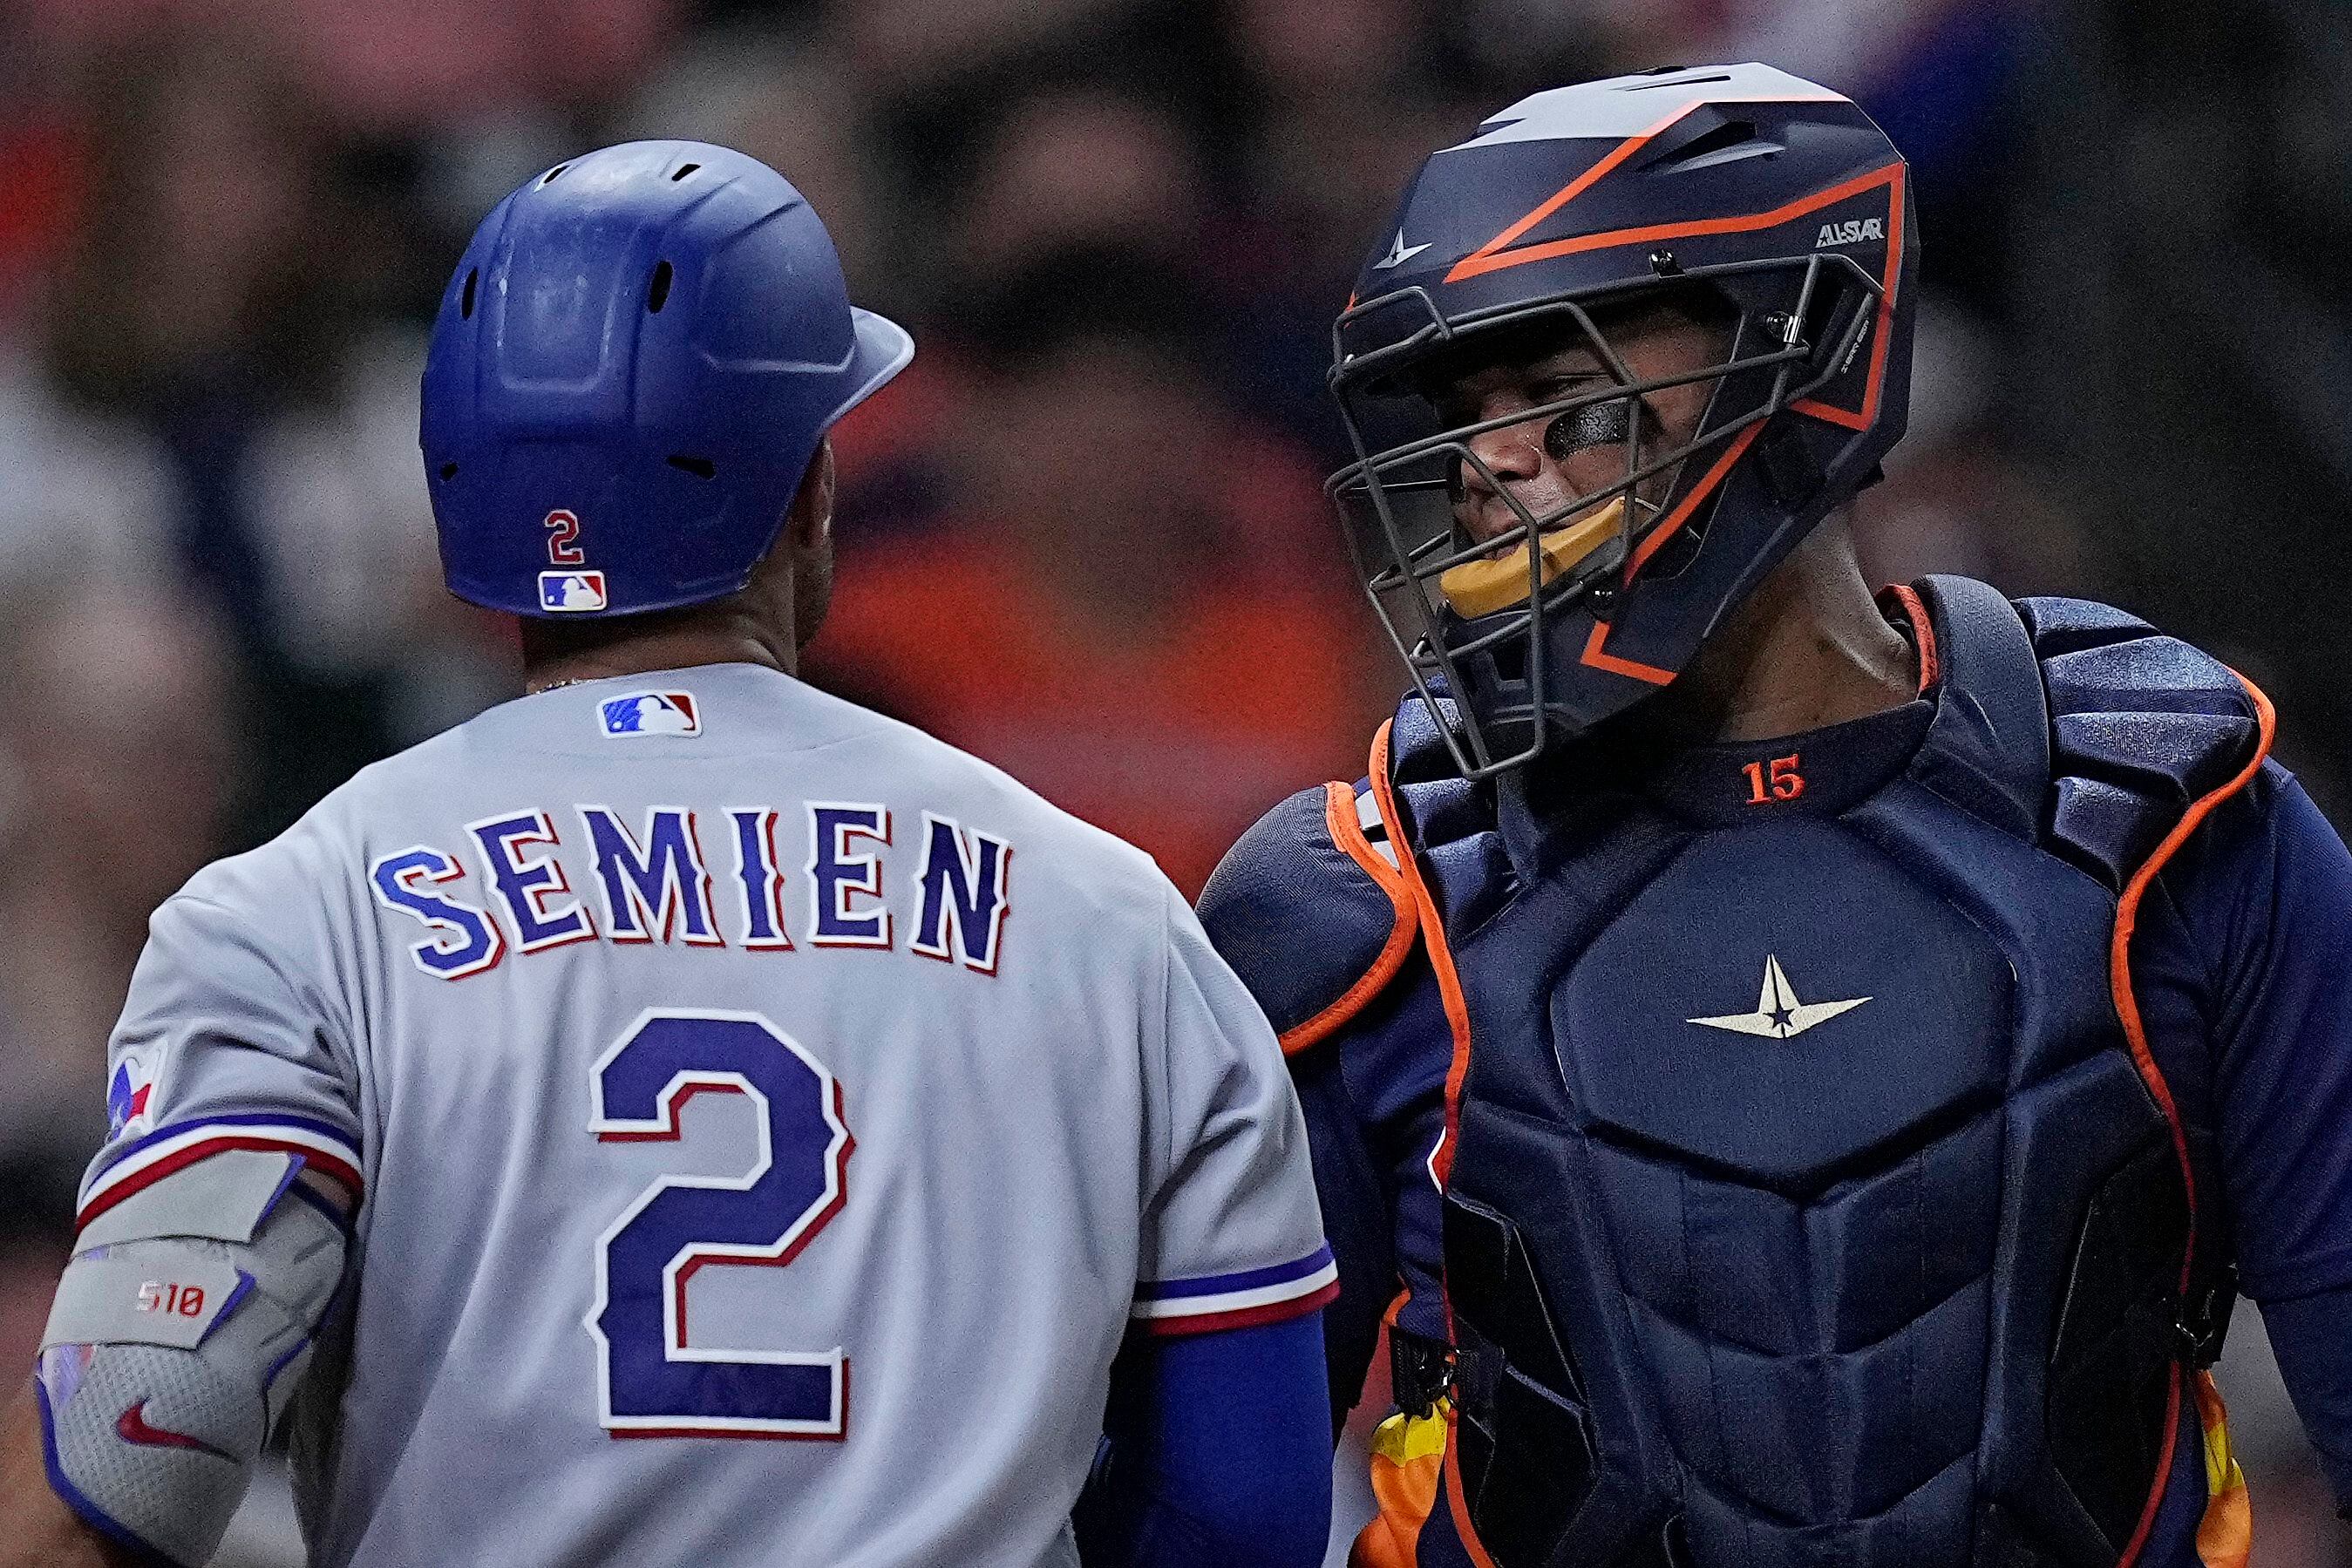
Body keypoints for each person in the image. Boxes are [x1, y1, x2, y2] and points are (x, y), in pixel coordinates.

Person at [0, 141, 1335, 1568]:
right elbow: (1241, 1511)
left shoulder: (292, 910)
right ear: (812, 488)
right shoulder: (1109, 913)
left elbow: (126, 1463)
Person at [1198, 64, 2352, 1568]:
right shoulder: (1355, 896)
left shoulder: (2175, 826)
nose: (1492, 473)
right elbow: (1205, 1508)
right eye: (1470, 420)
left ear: (1799, 343)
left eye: (1561, 395)